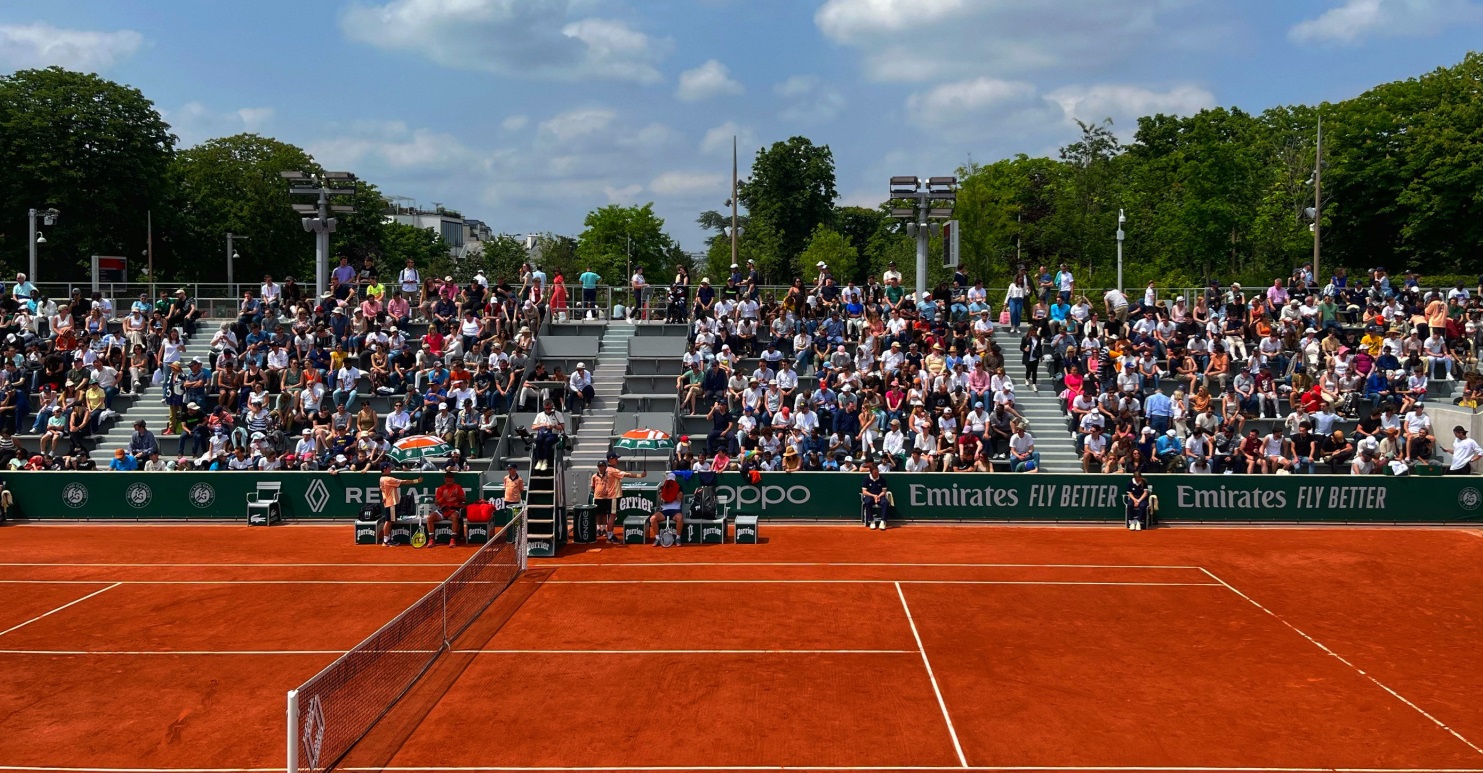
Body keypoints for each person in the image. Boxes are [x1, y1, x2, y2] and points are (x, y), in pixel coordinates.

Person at [590, 455, 646, 543]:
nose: (617, 460)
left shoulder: (607, 471)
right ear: (610, 460)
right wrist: (640, 475)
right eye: (616, 459)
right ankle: (610, 535)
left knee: (609, 515)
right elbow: (627, 474)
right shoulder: (612, 470)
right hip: (614, 497)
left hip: (609, 497)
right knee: (613, 515)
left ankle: (606, 532)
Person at [377, 464, 424, 546]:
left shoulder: (381, 479)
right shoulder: (389, 479)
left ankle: (387, 539)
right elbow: (403, 482)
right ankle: (386, 541)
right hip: (391, 503)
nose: (390, 468)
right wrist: (417, 481)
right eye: (388, 467)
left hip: (388, 502)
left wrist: (384, 496)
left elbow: (382, 490)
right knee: (389, 521)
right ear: (384, 469)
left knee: (389, 521)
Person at [433, 470, 466, 547]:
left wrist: (457, 496)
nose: (449, 482)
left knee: (455, 517)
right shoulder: (440, 489)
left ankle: (453, 539)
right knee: (430, 518)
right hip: (443, 510)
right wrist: (443, 498)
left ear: (453, 480)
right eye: (447, 481)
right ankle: (431, 539)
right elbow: (436, 503)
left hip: (454, 510)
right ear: (445, 480)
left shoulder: (458, 487)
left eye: (450, 481)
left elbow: (464, 500)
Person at [650, 471, 684, 545]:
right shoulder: (663, 488)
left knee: (680, 518)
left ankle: (678, 538)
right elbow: (661, 500)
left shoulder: (679, 487)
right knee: (653, 519)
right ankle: (657, 538)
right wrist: (666, 492)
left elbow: (679, 498)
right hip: (664, 511)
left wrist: (674, 490)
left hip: (675, 510)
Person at [861, 460, 889, 530]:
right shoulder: (866, 479)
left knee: (885, 502)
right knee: (867, 502)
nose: (877, 474)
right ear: (871, 472)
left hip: (880, 495)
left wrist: (879, 496)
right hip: (870, 496)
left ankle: (883, 521)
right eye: (875, 473)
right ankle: (871, 521)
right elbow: (864, 492)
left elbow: (884, 491)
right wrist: (873, 496)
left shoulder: (882, 479)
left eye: (878, 472)